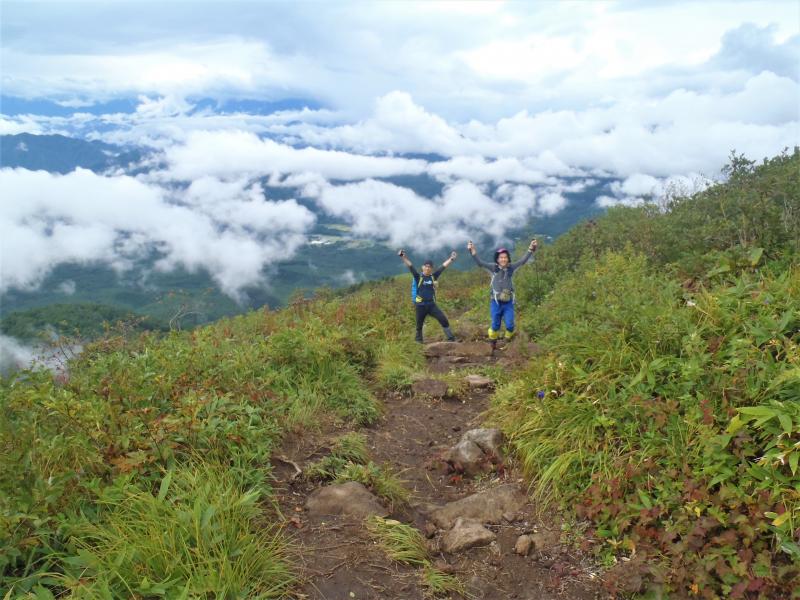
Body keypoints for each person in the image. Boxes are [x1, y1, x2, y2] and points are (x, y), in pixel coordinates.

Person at [467, 238, 538, 344]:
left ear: (508, 259)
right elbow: (480, 263)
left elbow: (523, 261)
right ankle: (493, 341)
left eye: (505, 257)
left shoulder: (511, 268)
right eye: (501, 258)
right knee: (495, 325)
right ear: (497, 259)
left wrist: (531, 248)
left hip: (508, 302)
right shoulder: (493, 268)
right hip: (495, 302)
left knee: (510, 325)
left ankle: (507, 339)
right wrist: (472, 251)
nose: (503, 259)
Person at [398, 249, 457, 343]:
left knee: (443, 320)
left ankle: (451, 338)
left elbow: (443, 267)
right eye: (426, 266)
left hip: (431, 305)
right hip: (420, 305)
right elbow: (410, 266)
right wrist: (403, 257)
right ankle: (418, 343)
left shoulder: (433, 276)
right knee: (419, 325)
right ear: (423, 267)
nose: (428, 268)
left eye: (430, 267)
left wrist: (451, 259)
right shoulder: (418, 277)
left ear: (432, 269)